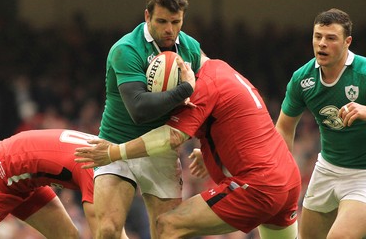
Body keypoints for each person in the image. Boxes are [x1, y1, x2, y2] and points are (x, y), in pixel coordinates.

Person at [75, 54, 301, 238]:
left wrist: (114, 152)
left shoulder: (204, 86)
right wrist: (211, 153)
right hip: (288, 179)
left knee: (168, 225)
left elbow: (171, 137)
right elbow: (236, 124)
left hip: (258, 187)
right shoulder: (220, 69)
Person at [91, 0, 202, 238]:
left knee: (167, 231)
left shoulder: (191, 49)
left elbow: (205, 104)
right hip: (115, 145)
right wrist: (185, 89)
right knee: (107, 230)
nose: (169, 30)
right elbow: (139, 109)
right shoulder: (126, 49)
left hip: (159, 149)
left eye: (176, 22)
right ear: (147, 16)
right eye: (162, 21)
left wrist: (207, 150)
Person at [274, 8, 366, 239]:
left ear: (347, 42)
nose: (322, 44)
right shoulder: (302, 78)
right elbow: (284, 127)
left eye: (331, 38)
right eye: (318, 37)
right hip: (326, 169)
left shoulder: (363, 72)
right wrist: (283, 173)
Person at [0, 129, 128, 239]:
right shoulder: (98, 171)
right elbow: (104, 233)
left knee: (68, 236)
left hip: (25, 181)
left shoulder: (109, 154)